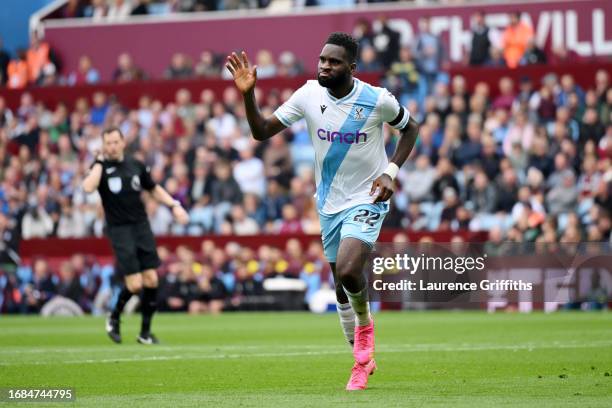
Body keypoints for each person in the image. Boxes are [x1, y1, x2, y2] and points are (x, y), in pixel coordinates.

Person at [225, 32, 419, 390]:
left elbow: (410, 129)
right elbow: (261, 131)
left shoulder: (377, 100)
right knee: (341, 288)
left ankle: (365, 329)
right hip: (328, 202)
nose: (325, 66)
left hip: (368, 197)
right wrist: (248, 94)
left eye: (333, 62)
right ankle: (360, 363)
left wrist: (390, 171)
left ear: (352, 67)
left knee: (348, 269)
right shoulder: (308, 94)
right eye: (322, 60)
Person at [82, 127, 189, 344]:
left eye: (115, 142)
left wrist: (174, 205)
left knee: (151, 278)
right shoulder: (100, 167)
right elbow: (88, 187)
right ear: (103, 145)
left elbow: (153, 188)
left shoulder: (135, 165)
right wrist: (99, 163)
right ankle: (113, 317)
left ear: (123, 143)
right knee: (135, 284)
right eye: (107, 143)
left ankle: (145, 333)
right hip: (119, 229)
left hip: (141, 226)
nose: (111, 146)